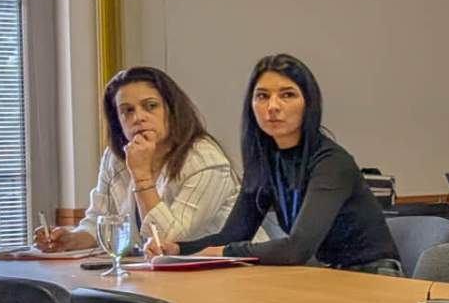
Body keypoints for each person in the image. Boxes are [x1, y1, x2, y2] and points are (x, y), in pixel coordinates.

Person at [153, 54, 402, 274]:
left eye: (287, 95)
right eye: (262, 96)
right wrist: (178, 249)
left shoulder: (331, 162)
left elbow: (296, 249)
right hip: (328, 276)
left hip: (374, 278)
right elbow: (232, 236)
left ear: (309, 104)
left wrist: (226, 252)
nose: (272, 107)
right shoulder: (266, 162)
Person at [35, 66, 238, 254]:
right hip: (153, 271)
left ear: (172, 110)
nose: (138, 118)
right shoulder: (115, 157)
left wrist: (141, 176)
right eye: (127, 111)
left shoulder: (205, 160)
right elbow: (99, 221)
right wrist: (70, 240)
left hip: (219, 271)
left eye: (151, 106)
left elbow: (167, 242)